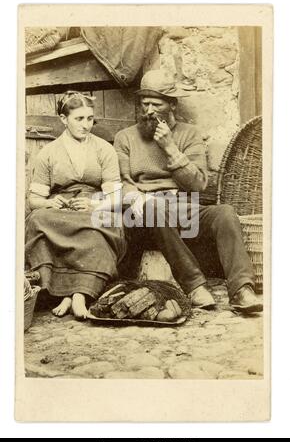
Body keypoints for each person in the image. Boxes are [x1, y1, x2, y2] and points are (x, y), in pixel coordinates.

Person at [114, 70, 263, 314]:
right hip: (142, 216)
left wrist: (170, 148)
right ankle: (195, 286)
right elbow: (121, 183)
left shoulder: (189, 135)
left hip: (182, 207)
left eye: (156, 103)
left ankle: (241, 290)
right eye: (145, 103)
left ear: (172, 105)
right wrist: (141, 198)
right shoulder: (125, 138)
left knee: (224, 213)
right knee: (154, 207)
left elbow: (197, 184)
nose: (149, 110)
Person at [25, 91, 126, 319]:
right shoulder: (48, 153)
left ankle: (80, 294)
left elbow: (116, 198)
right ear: (63, 119)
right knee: (38, 219)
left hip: (93, 208)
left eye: (90, 118)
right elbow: (34, 201)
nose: (86, 125)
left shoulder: (104, 150)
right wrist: (51, 202)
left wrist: (94, 205)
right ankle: (66, 293)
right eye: (79, 119)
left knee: (102, 227)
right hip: (62, 212)